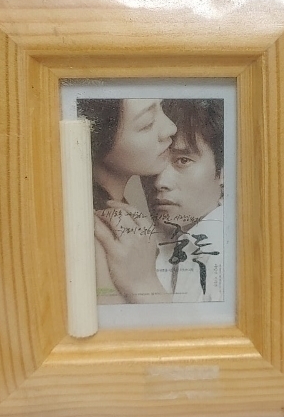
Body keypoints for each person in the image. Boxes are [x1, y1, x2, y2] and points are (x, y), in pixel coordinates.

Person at [94, 99, 226, 303]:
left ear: (224, 171)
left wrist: (144, 284)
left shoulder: (238, 254)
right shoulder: (137, 243)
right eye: (158, 162)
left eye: (183, 161)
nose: (160, 182)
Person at [77, 98, 177, 304]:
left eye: (161, 107)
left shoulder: (115, 208)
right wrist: (145, 283)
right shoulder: (97, 240)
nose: (171, 128)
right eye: (147, 123)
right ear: (98, 139)